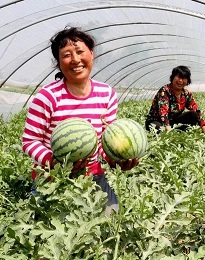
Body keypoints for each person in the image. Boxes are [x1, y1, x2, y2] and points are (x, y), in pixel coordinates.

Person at [22, 27, 139, 216]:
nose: (75, 60)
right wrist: (55, 162)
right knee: (45, 233)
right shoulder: (48, 96)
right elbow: (29, 141)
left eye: (80, 52)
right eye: (67, 55)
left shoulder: (106, 94)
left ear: (91, 54)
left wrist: (114, 159)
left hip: (92, 175)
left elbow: (105, 141)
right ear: (59, 63)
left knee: (113, 224)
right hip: (51, 178)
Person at [145, 65, 205, 133]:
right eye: (178, 77)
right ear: (173, 78)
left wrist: (203, 125)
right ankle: (174, 130)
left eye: (184, 78)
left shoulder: (186, 93)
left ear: (187, 80)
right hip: (157, 120)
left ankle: (176, 130)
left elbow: (196, 109)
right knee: (158, 128)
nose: (180, 81)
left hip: (173, 121)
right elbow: (163, 112)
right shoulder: (165, 91)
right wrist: (167, 127)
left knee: (193, 115)